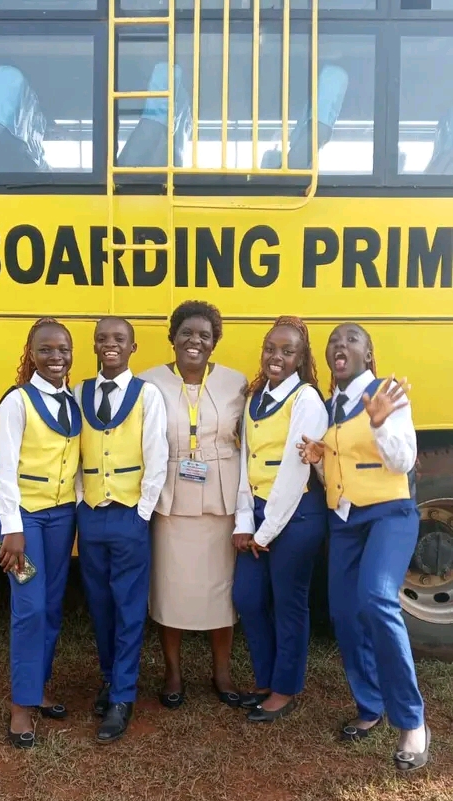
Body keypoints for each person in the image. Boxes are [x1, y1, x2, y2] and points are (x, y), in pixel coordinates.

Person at [298, 322, 429, 772]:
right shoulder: (331, 405)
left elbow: (402, 460)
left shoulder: (387, 394)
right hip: (346, 520)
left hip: (389, 515)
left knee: (376, 598)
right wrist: (318, 461)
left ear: (368, 354)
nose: (341, 345)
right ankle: (371, 707)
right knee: (344, 613)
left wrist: (378, 423)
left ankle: (411, 722)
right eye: (335, 340)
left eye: (352, 339)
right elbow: (341, 469)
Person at [140, 300, 247, 709]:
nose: (194, 341)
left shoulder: (236, 383)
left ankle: (221, 672)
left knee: (221, 592)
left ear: (215, 341)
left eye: (204, 335)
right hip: (171, 498)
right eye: (186, 333)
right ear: (172, 337)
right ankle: (173, 672)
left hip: (220, 499)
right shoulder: (148, 383)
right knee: (170, 589)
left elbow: (252, 442)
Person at [74, 317, 168, 744]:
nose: (109, 345)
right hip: (91, 514)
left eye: (119, 339)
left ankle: (124, 695)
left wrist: (142, 512)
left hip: (130, 514)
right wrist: (79, 501)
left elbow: (157, 455)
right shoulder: (78, 393)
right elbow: (71, 453)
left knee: (129, 606)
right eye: (102, 339)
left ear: (132, 347)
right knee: (99, 603)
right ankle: (110, 678)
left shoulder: (146, 394)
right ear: (94, 345)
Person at [232, 316, 328, 722]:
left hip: (296, 515)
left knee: (289, 602)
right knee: (247, 597)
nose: (277, 357)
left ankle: (284, 687)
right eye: (271, 348)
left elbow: (294, 473)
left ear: (300, 358)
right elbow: (245, 463)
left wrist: (265, 530)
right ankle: (264, 678)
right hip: (257, 512)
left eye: (288, 351)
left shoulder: (306, 400)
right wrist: (243, 523)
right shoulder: (255, 397)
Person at [0, 317, 80, 749]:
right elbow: (4, 469)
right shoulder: (17, 401)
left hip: (62, 517)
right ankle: (21, 706)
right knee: (28, 607)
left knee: (50, 605)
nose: (56, 357)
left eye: (63, 349)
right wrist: (12, 529)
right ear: (31, 354)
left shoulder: (74, 401)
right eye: (46, 349)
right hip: (23, 519)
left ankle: (39, 686)